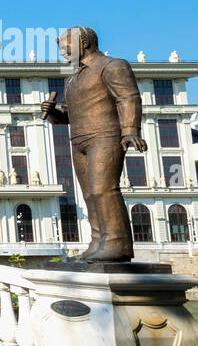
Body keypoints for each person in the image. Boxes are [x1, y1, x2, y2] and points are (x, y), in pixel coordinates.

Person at [42, 26, 146, 262]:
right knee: (89, 194)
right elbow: (68, 114)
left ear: (84, 42)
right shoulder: (74, 78)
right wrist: (52, 113)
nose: (63, 53)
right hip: (79, 139)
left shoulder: (112, 66)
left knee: (104, 190)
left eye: (66, 47)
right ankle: (98, 241)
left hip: (105, 135)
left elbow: (128, 97)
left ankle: (117, 244)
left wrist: (130, 130)